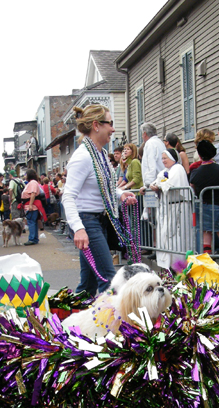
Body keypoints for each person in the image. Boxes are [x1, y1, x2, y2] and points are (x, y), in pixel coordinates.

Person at [62, 104, 138, 295]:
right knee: (109, 280)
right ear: (96, 125)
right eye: (109, 123)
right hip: (88, 223)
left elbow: (106, 188)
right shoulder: (83, 157)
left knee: (88, 286)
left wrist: (121, 194)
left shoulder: (101, 154)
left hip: (101, 221)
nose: (113, 129)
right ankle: (113, 324)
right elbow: (68, 196)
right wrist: (78, 229)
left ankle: (68, 321)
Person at [142, 148, 192, 270]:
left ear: (172, 158)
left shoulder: (178, 169)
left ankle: (178, 264)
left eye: (165, 158)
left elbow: (170, 184)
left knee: (176, 237)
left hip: (178, 208)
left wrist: (158, 186)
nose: (163, 161)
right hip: (167, 209)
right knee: (165, 237)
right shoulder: (164, 171)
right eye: (162, 158)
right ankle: (168, 265)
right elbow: (155, 183)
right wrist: (147, 188)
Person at [190, 140, 219, 271]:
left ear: (199, 154)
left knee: (206, 241)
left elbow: (193, 188)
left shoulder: (196, 173)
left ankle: (207, 271)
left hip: (203, 207)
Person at [21, 169, 46, 246]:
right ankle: (34, 238)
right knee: (33, 222)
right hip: (30, 204)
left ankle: (32, 238)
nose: (25, 176)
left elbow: (33, 194)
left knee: (31, 222)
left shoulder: (32, 183)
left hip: (31, 205)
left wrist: (31, 205)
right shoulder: (33, 183)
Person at [140, 122, 165, 194]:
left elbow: (151, 165)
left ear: (144, 133)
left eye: (142, 134)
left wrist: (147, 185)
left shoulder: (150, 143)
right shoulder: (160, 143)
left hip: (153, 185)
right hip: (160, 182)